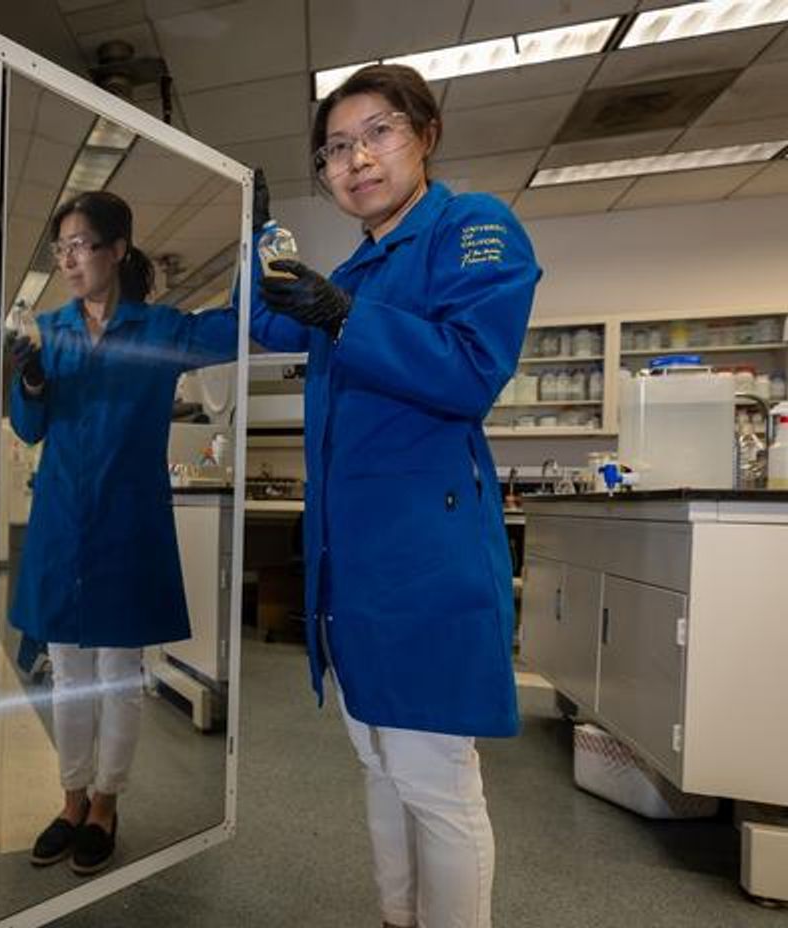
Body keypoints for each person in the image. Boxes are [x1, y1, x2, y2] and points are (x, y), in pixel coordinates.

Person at [249, 64, 541, 928]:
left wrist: (341, 316)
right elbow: (263, 318)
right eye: (336, 147)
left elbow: (469, 369)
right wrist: (252, 236)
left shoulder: (474, 226)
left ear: (426, 134)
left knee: (435, 783)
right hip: (356, 564)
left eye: (378, 132)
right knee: (378, 758)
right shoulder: (360, 265)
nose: (356, 159)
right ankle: (395, 915)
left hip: (424, 560)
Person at [6, 190, 237, 876]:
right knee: (70, 670)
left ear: (116, 251)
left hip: (129, 521)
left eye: (81, 246)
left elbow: (233, 330)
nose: (70, 260)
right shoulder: (50, 329)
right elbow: (27, 427)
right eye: (62, 249)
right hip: (61, 521)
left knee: (118, 674)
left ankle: (106, 802)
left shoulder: (159, 329)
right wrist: (31, 378)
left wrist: (260, 268)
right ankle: (70, 799)